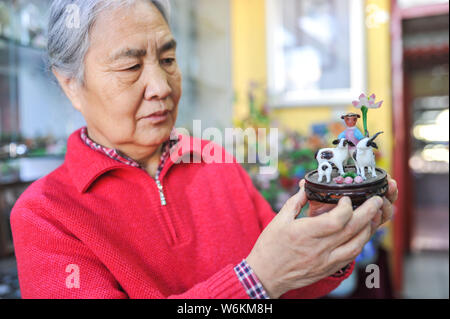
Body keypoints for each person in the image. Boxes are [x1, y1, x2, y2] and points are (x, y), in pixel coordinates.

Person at [10, 0, 398, 299]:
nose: (161, 86)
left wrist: (331, 237)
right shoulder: (45, 216)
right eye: (131, 68)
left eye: (167, 59)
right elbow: (264, 280)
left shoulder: (215, 161)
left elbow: (286, 284)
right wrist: (255, 280)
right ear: (70, 85)